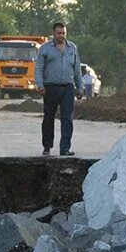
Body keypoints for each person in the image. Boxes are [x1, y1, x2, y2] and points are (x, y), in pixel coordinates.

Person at [35, 22, 83, 156]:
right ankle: (47, 147)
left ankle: (65, 148)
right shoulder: (45, 49)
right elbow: (39, 68)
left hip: (68, 88)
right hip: (50, 88)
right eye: (59, 33)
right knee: (49, 117)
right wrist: (40, 85)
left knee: (67, 118)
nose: (61, 36)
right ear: (53, 34)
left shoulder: (72, 48)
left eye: (63, 33)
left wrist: (80, 87)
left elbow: (77, 69)